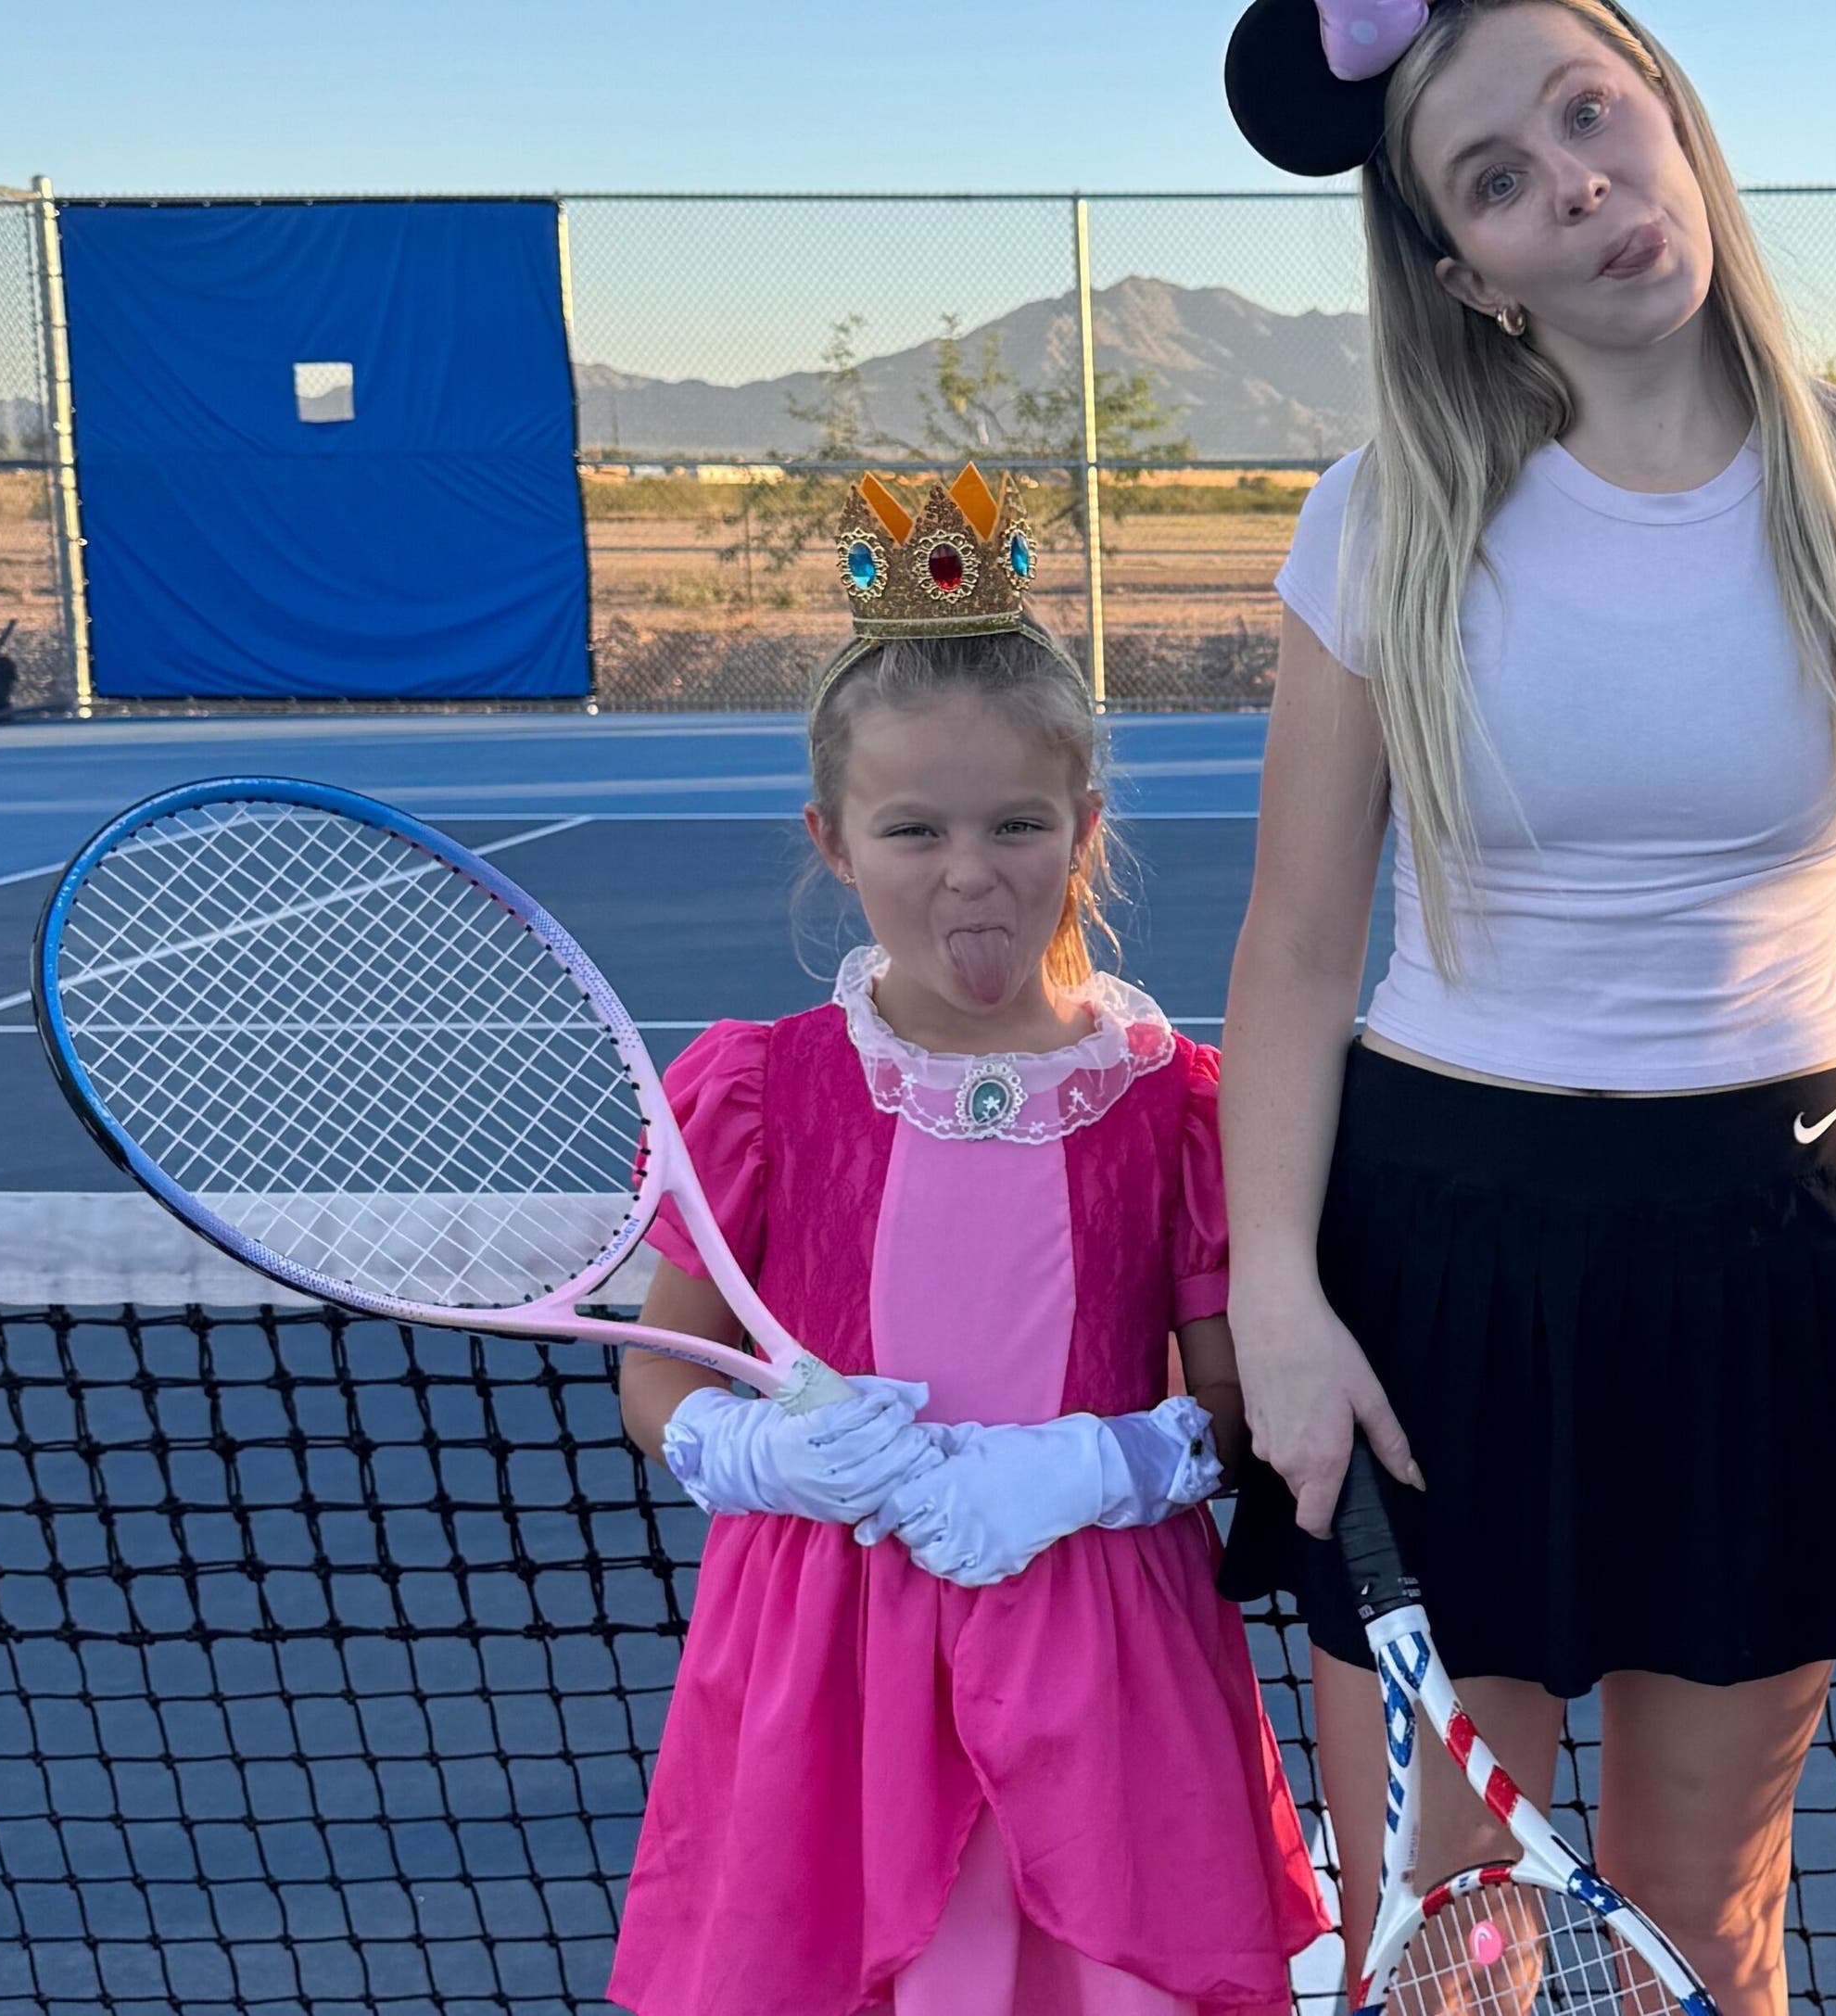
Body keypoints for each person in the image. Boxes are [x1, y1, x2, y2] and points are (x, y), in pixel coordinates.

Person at [1212, 0, 1836, 2001]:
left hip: (1761, 1264)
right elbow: (1291, 942)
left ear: (1673, 120)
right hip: (1438, 1272)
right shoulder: (1385, 521)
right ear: (1466, 274)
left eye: (1590, 115)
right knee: (1440, 1932)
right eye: (1496, 179)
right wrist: (1280, 1289)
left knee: (1711, 1909)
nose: (1575, 181)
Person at [603, 468, 1326, 2016]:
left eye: (1016, 821)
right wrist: (764, 1457)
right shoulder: (759, 1096)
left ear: (1084, 828)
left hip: (1099, 1649)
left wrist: (1094, 1466)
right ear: (833, 838)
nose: (969, 867)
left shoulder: (1178, 1107)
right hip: (827, 1653)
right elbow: (663, 1379)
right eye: (913, 827)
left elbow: (1226, 1393)